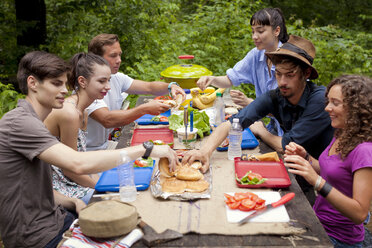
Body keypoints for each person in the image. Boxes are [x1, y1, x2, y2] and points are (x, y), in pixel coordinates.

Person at [0, 51, 178, 248]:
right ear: (33, 83)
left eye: (64, 83)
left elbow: (36, 189)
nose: (64, 91)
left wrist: (71, 202)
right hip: (36, 237)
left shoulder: (35, 121)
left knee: (135, 226)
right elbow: (77, 163)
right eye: (55, 84)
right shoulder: (19, 122)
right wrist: (144, 149)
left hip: (58, 219)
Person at [183, 35, 334, 204]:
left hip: (332, 180)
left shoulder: (320, 100)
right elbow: (233, 122)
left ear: (306, 73)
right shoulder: (277, 95)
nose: (282, 82)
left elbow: (287, 146)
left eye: (290, 75)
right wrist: (205, 151)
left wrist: (261, 131)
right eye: (278, 74)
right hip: (301, 169)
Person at [284, 75, 372, 247]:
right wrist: (306, 158)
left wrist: (317, 182)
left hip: (339, 239)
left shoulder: (365, 150)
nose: (327, 108)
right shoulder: (342, 133)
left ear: (356, 108)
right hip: (319, 223)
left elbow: (360, 213)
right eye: (328, 101)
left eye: (335, 103)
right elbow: (331, 171)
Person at [197, 8, 289, 136]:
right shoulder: (257, 55)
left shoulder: (290, 60)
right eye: (253, 31)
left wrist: (249, 103)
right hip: (274, 126)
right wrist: (212, 79)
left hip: (291, 129)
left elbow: (287, 111)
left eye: (260, 31)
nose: (254, 37)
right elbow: (230, 79)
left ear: (277, 31)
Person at [86, 33, 186, 151]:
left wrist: (170, 86)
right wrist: (144, 109)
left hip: (106, 145)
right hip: (89, 151)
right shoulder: (88, 85)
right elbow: (107, 119)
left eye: (119, 55)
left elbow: (149, 87)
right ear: (97, 59)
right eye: (113, 56)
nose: (119, 60)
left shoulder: (115, 77)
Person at [44, 52, 111, 204]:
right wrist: (104, 188)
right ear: (82, 81)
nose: (108, 87)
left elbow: (81, 159)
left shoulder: (84, 112)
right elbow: (69, 169)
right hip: (58, 185)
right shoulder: (69, 113)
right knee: (113, 202)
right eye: (102, 81)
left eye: (109, 80)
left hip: (74, 175)